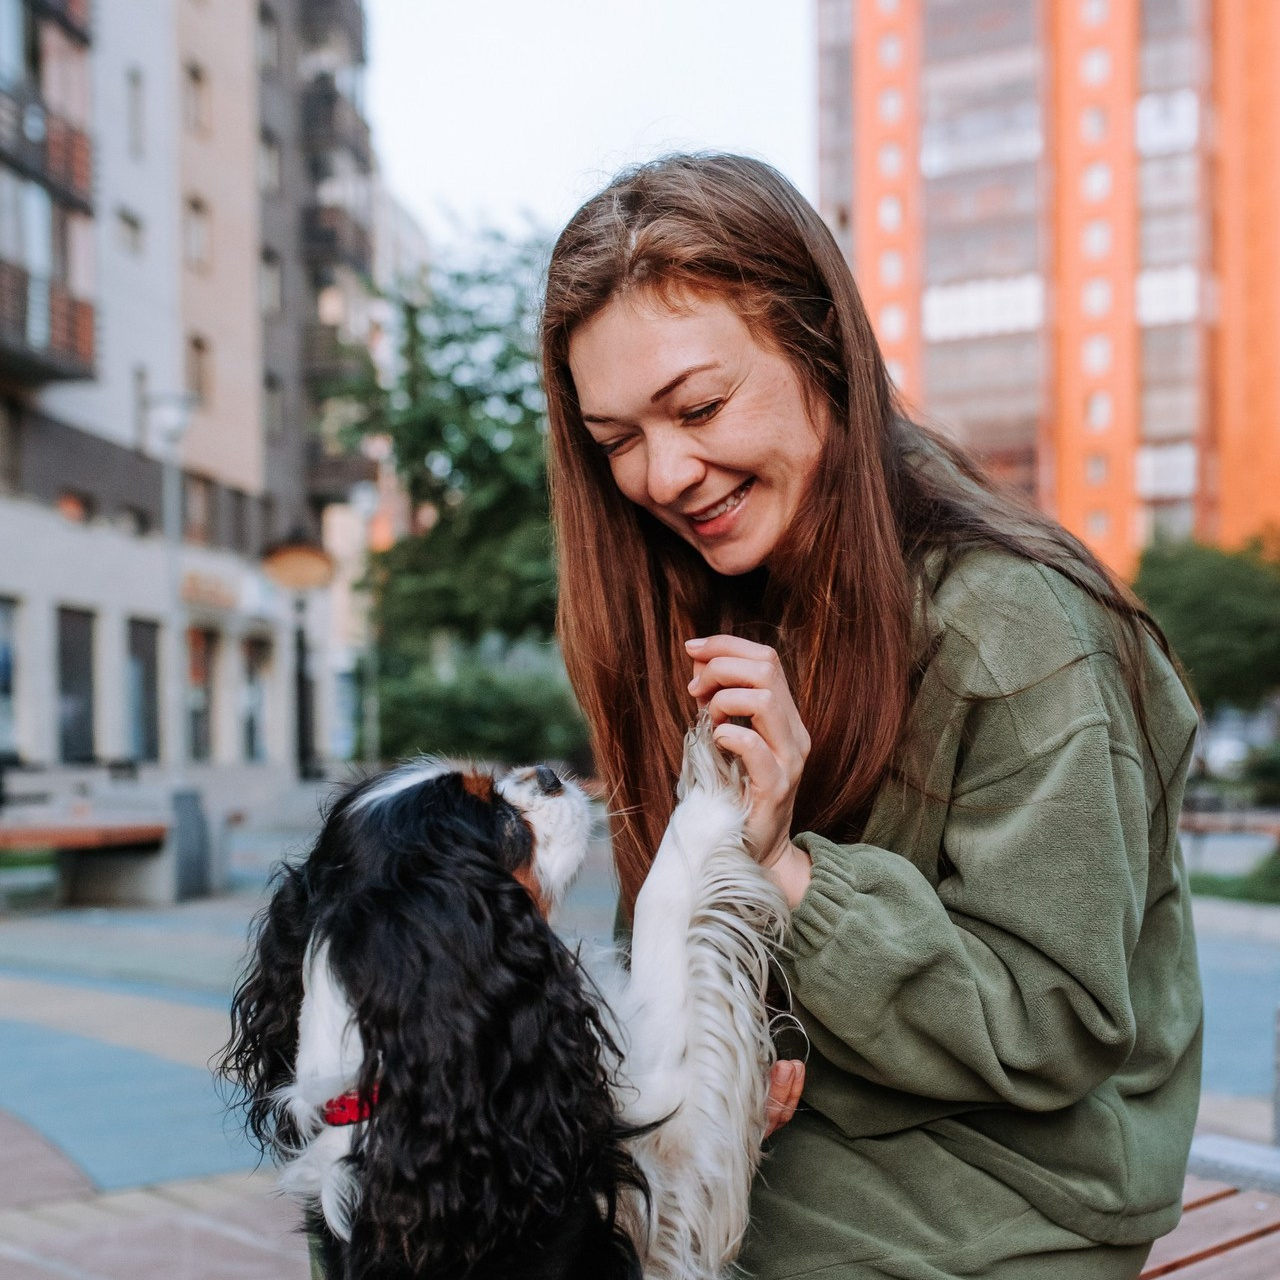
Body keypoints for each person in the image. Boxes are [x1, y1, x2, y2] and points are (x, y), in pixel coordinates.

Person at [540, 153, 1202, 1280]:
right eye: (614, 441)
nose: (661, 473)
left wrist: (785, 871)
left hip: (1014, 1185)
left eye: (697, 406)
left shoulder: (1015, 626)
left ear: (822, 353)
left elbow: (1052, 1023)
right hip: (810, 1131)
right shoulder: (710, 597)